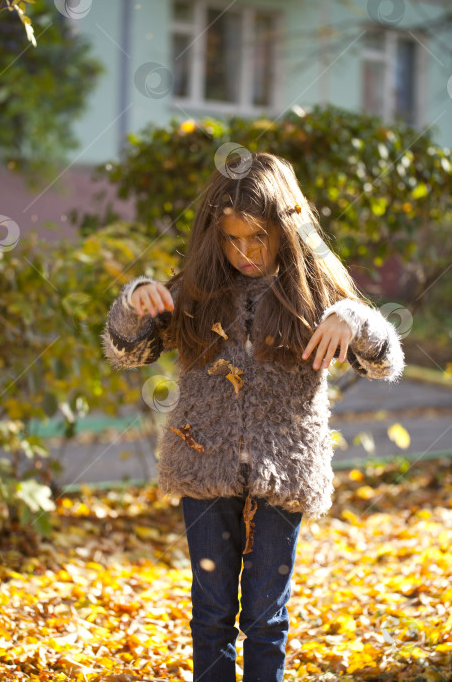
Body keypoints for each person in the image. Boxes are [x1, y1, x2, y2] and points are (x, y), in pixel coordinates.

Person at [101, 151, 405, 682]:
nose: (243, 252)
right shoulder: (193, 292)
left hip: (282, 473)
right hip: (203, 465)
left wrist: (353, 317)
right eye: (231, 238)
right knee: (212, 613)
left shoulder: (316, 296)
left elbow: (384, 363)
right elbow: (129, 352)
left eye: (257, 238)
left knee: (267, 616)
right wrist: (134, 302)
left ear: (286, 230)